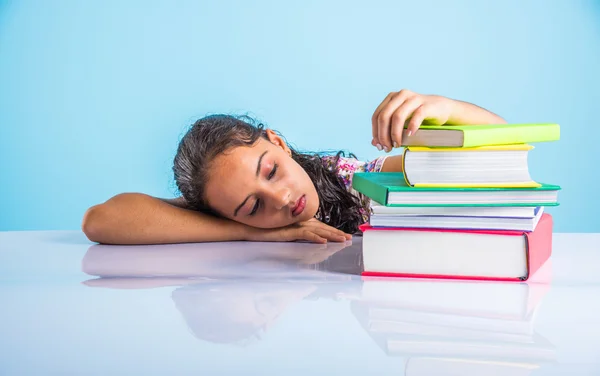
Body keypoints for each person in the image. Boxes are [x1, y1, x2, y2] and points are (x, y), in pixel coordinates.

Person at [81, 89, 505, 245]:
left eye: (271, 170)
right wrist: (251, 231)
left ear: (278, 143)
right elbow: (101, 221)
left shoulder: (355, 181)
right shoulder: (227, 212)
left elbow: (499, 161)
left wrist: (450, 108)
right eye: (251, 207)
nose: (282, 199)